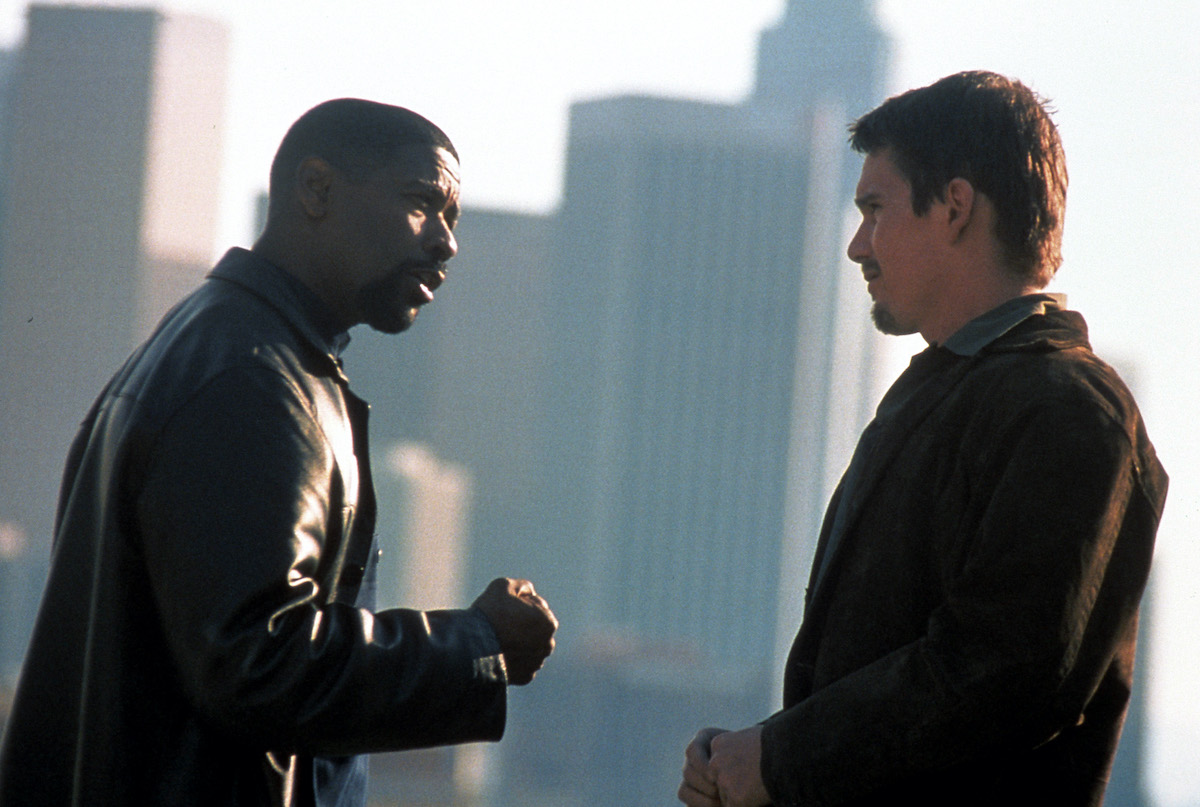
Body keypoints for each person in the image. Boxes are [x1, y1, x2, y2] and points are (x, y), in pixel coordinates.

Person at [0, 99, 558, 806]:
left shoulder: (233, 350)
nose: (446, 243)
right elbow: (260, 663)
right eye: (422, 203)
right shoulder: (252, 379)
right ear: (315, 189)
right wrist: (478, 646)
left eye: (453, 218)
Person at [678, 71, 1167, 807]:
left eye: (875, 209)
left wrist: (780, 758)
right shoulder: (953, 395)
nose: (857, 246)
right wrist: (754, 762)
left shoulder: (1068, 411)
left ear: (955, 207)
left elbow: (1004, 674)